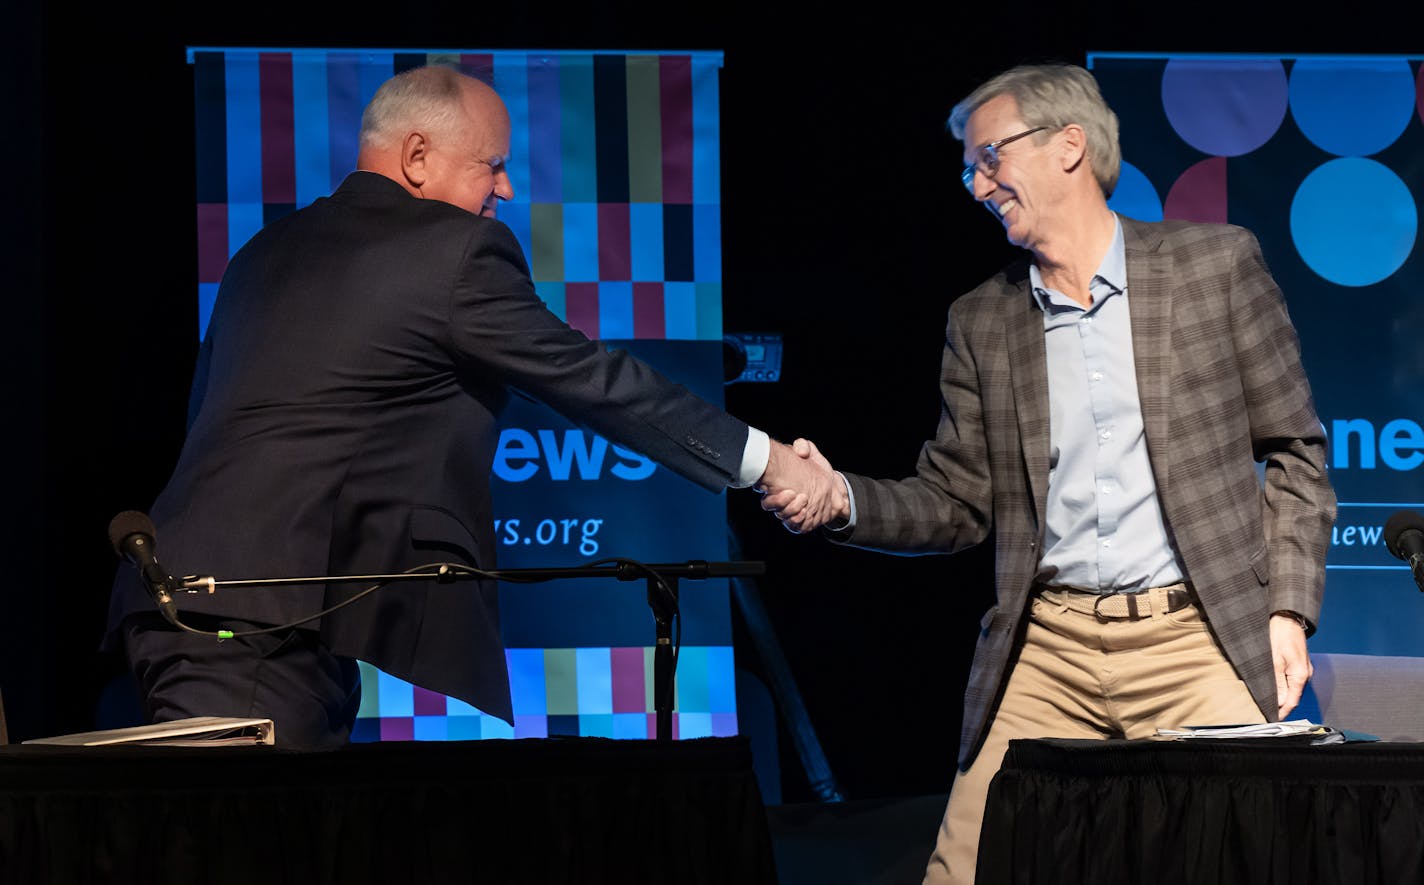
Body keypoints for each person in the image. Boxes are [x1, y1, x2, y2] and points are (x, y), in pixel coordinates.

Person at [104, 63, 842, 750]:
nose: (507, 190)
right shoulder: (452, 251)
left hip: (214, 606)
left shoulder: (262, 252)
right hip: (254, 627)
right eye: (493, 164)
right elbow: (595, 380)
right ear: (418, 157)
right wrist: (766, 460)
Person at [763, 62, 1336, 885]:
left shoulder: (1215, 267)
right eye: (969, 167)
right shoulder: (982, 319)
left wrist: (1287, 608)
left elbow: (1298, 450)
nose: (976, 184)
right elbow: (955, 501)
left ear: (1070, 145)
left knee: (1248, 856)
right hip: (1050, 648)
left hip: (1195, 638)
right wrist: (838, 496)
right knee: (961, 871)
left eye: (990, 157)